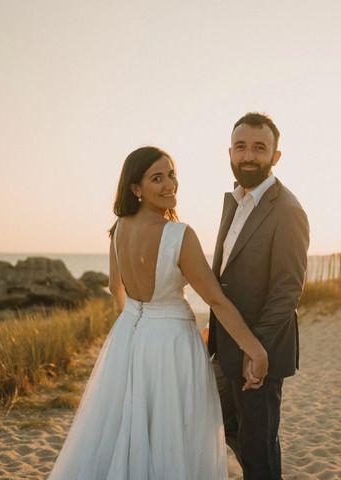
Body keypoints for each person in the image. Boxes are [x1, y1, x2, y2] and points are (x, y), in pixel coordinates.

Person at [47, 146, 268, 480]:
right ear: (136, 189)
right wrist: (255, 349)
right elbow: (217, 301)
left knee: (130, 431)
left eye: (172, 174)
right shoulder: (179, 235)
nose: (170, 185)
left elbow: (114, 288)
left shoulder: (119, 228)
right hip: (172, 345)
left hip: (129, 339)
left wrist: (137, 322)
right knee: (172, 434)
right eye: (157, 178)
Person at [208, 112, 310, 479]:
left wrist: (257, 349)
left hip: (258, 355)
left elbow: (287, 290)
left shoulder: (287, 211)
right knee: (222, 424)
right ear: (230, 152)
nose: (248, 155)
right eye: (241, 147)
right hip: (225, 346)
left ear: (275, 157)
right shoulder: (235, 201)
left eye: (259, 148)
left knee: (259, 448)